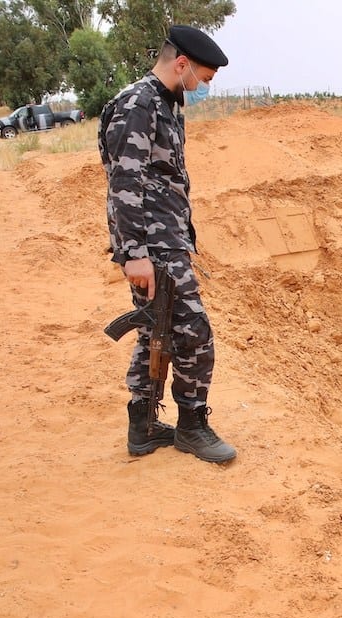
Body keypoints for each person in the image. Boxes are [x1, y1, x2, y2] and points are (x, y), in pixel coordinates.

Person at [98, 24, 236, 463]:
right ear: (182, 65)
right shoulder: (139, 103)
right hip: (152, 247)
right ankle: (192, 426)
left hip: (166, 239)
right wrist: (133, 253)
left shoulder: (165, 104)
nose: (205, 89)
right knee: (195, 334)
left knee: (154, 333)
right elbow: (125, 181)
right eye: (205, 80)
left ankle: (142, 426)